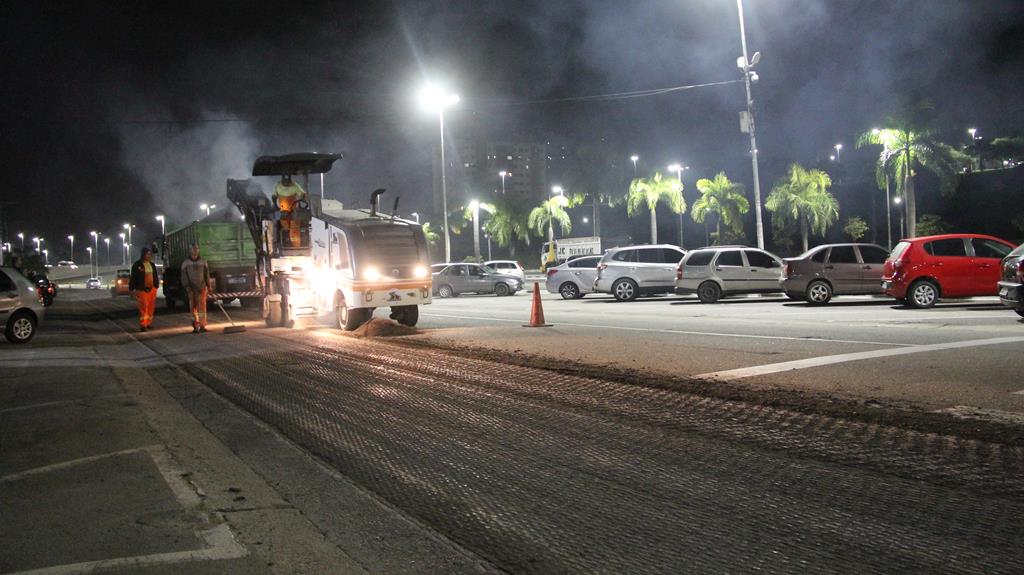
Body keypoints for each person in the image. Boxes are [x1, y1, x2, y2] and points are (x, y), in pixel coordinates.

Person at [180, 243, 211, 333]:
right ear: (190, 250)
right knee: (193, 308)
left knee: (202, 307)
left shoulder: (203, 262)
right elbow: (184, 277)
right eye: (193, 249)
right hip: (191, 289)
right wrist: (187, 287)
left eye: (197, 248)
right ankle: (195, 325)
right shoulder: (185, 263)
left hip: (201, 288)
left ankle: (202, 325)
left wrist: (209, 286)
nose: (195, 250)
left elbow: (207, 275)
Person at [128, 247, 159, 332]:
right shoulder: (137, 265)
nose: (149, 256)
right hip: (142, 290)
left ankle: (148, 323)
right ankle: (143, 324)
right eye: (147, 254)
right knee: (143, 307)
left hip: (152, 289)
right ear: (143, 254)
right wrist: (131, 288)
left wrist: (156, 286)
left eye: (150, 254)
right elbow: (133, 277)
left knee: (151, 307)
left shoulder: (152, 265)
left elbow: (155, 276)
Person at [274, 175, 307, 246]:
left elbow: (303, 194)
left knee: (294, 227)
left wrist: (303, 198)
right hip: (283, 212)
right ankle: (284, 243)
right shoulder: (277, 186)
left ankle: (296, 245)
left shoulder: (295, 186)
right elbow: (274, 196)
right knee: (284, 226)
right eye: (285, 182)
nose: (286, 184)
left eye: (287, 182)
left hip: (293, 211)